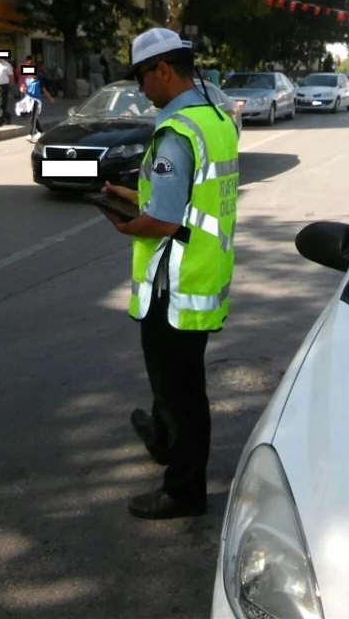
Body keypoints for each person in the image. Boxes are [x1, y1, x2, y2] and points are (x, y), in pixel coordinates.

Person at [100, 28, 239, 520]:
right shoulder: (215, 118)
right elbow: (188, 200)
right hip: (201, 274)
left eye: (141, 77)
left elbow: (162, 221)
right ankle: (161, 437)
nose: (141, 88)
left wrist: (126, 223)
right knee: (173, 379)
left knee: (180, 389)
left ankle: (184, 490)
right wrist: (131, 197)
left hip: (175, 284)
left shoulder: (175, 131)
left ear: (162, 69)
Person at [15, 69, 54, 142]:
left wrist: (50, 98)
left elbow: (44, 90)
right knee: (33, 117)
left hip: (36, 100)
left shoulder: (39, 81)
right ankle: (40, 132)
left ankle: (31, 134)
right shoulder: (26, 80)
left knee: (33, 117)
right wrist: (22, 89)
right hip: (28, 99)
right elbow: (22, 87)